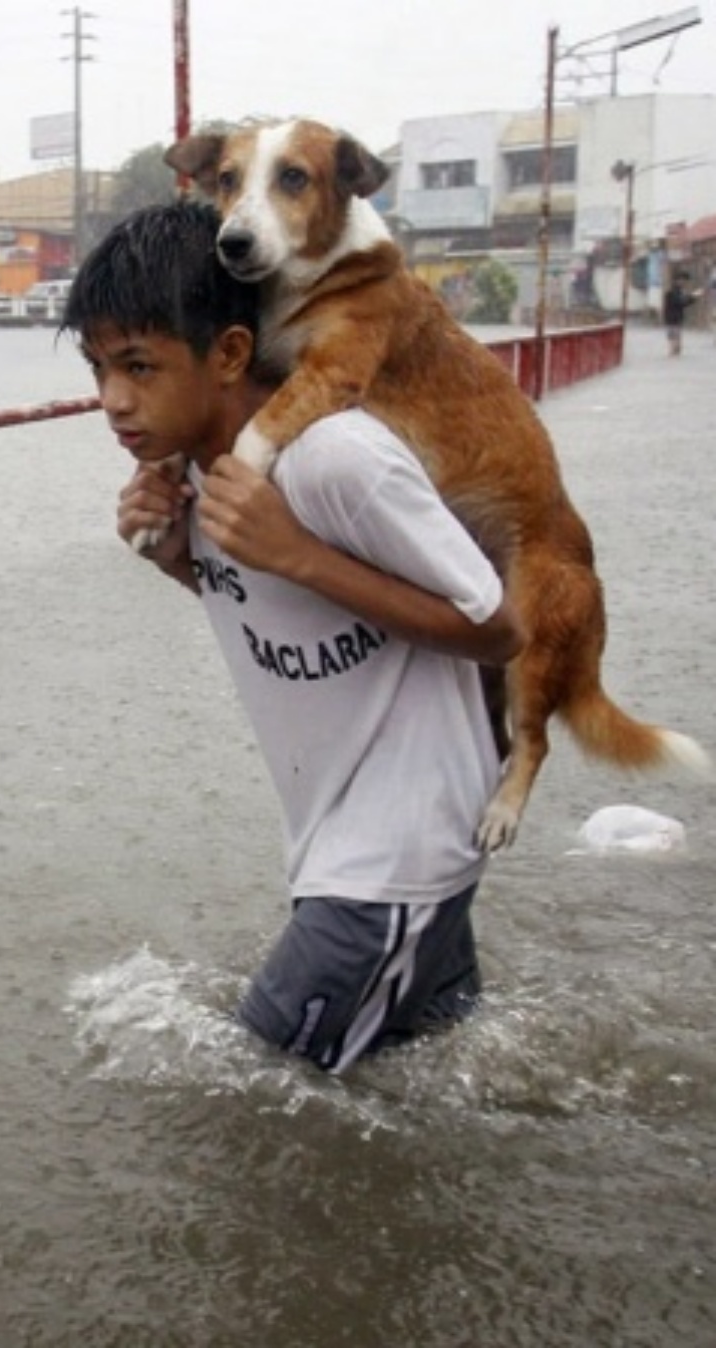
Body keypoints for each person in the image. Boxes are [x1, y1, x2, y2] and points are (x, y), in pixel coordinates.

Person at [61, 202, 522, 1075]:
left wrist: (300, 553)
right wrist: (173, 557)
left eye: (138, 366)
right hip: (356, 846)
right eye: (97, 368)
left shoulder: (335, 458)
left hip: (391, 861)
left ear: (230, 351)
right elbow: (273, 606)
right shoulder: (198, 467)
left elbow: (498, 627)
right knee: (439, 1093)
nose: (113, 400)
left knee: (253, 1101)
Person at [662, 270, 698, 356]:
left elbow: (683, 302)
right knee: (673, 332)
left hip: (675, 315)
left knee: (675, 332)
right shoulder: (672, 291)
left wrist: (692, 297)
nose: (684, 283)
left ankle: (675, 348)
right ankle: (673, 349)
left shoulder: (678, 291)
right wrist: (693, 297)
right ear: (678, 280)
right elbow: (681, 302)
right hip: (672, 315)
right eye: (683, 280)